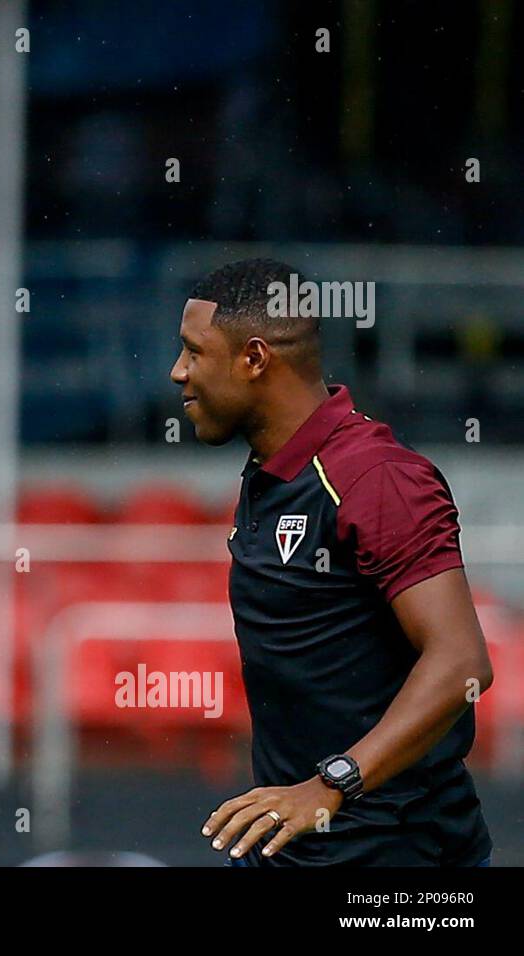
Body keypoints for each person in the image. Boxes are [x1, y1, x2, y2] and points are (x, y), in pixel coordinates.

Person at [170, 258, 493, 866]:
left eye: (193, 352)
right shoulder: (273, 470)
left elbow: (461, 663)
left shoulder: (377, 478)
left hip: (398, 859)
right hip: (294, 847)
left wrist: (328, 786)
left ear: (255, 358)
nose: (178, 371)